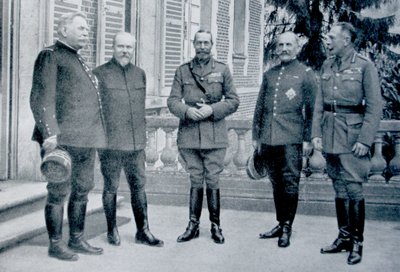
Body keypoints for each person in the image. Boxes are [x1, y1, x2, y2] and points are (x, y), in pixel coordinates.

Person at [30, 12, 107, 261]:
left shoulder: (77, 58)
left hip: (86, 138)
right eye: (81, 28)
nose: (86, 32)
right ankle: (55, 244)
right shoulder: (50, 56)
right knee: (58, 191)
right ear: (63, 30)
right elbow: (41, 97)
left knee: (83, 189)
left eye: (87, 29)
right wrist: (49, 134)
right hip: (62, 140)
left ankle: (76, 239)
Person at [312, 22, 382, 265]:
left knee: (353, 189)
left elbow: (374, 107)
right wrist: (315, 134)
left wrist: (365, 139)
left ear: (347, 39)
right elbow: (319, 104)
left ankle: (357, 242)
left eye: (332, 37)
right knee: (338, 187)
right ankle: (343, 237)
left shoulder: (365, 66)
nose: (327, 41)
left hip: (352, 137)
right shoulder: (327, 64)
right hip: (330, 133)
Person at [167, 29, 239, 244]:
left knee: (213, 179)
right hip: (189, 135)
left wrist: (212, 109)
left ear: (212, 45)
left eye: (206, 43)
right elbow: (172, 101)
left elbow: (234, 100)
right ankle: (193, 225)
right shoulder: (182, 71)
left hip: (214, 135)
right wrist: (187, 111)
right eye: (199, 43)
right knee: (196, 178)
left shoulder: (222, 70)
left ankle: (216, 226)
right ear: (193, 44)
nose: (202, 47)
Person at [93, 32, 163, 247]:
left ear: (134, 49)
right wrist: (101, 142)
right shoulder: (100, 74)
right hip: (111, 144)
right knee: (111, 188)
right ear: (112, 47)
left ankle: (143, 231)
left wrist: (142, 139)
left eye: (129, 47)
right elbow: (96, 112)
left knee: (139, 187)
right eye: (120, 46)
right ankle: (112, 229)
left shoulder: (140, 74)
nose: (125, 51)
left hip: (136, 144)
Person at [252, 31, 317, 248]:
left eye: (289, 45)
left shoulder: (306, 74)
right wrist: (256, 136)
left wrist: (307, 139)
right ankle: (280, 223)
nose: (284, 49)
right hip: (269, 138)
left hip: (292, 138)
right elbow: (260, 107)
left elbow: (312, 110)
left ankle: (288, 226)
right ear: (276, 49)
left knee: (290, 182)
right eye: (280, 45)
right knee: (276, 183)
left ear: (297, 48)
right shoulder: (270, 74)